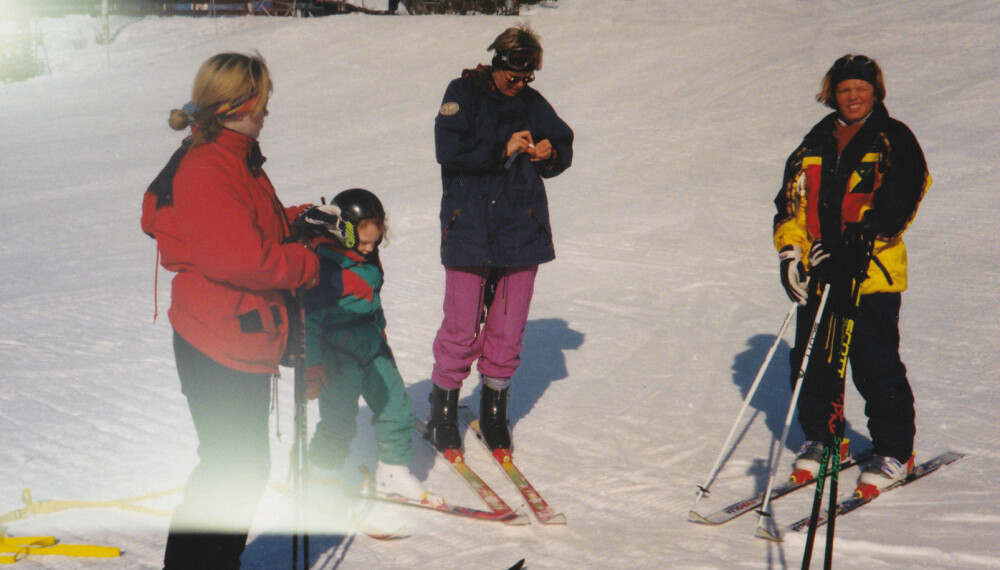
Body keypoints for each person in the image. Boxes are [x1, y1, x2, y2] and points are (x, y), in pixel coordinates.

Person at [141, 52, 336, 569]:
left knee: (237, 473)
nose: (268, 112)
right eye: (264, 102)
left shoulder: (233, 154)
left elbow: (246, 226)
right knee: (231, 474)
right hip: (218, 340)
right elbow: (238, 256)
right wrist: (304, 263)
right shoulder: (209, 165)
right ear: (238, 105)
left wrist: (299, 220)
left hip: (234, 333)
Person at [773, 54, 931, 499]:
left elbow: (903, 196)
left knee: (873, 362)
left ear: (875, 91)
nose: (853, 96)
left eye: (861, 88)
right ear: (832, 94)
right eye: (844, 89)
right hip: (821, 270)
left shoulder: (892, 138)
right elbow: (790, 203)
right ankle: (824, 439)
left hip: (871, 273)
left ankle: (895, 451)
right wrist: (791, 253)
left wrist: (857, 243)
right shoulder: (814, 142)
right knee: (811, 360)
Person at [425, 25, 574, 456]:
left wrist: (551, 152)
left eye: (528, 77)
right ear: (498, 62)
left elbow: (562, 139)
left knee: (507, 328)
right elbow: (448, 148)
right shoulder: (463, 93)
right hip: (470, 224)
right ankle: (444, 411)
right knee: (461, 324)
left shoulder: (531, 103)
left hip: (519, 228)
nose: (519, 84)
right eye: (513, 75)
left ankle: (494, 413)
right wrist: (501, 147)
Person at [302, 189, 442, 506]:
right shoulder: (325, 267)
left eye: (374, 242)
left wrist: (380, 329)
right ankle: (320, 475)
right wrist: (311, 366)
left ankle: (393, 472)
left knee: (396, 404)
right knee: (339, 420)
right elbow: (308, 321)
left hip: (371, 343)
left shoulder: (368, 258)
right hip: (336, 353)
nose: (368, 249)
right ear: (342, 231)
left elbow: (372, 298)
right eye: (362, 242)